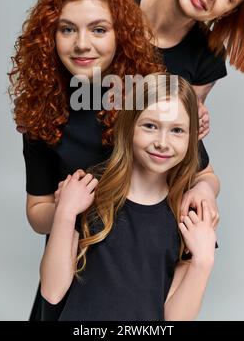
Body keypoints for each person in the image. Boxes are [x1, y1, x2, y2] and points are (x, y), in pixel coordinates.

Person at [8, 0, 220, 320]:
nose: (82, 44)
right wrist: (67, 212)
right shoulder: (42, 112)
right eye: (67, 29)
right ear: (49, 36)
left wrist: (205, 192)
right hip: (76, 266)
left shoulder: (146, 94)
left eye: (99, 29)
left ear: (120, 34)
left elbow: (204, 174)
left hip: (142, 269)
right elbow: (38, 210)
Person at [40, 73, 216, 321]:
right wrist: (65, 213)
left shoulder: (188, 213)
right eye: (150, 126)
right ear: (129, 124)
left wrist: (203, 262)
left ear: (191, 138)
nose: (162, 143)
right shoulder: (89, 191)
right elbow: (52, 291)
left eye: (177, 130)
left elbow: (175, 319)